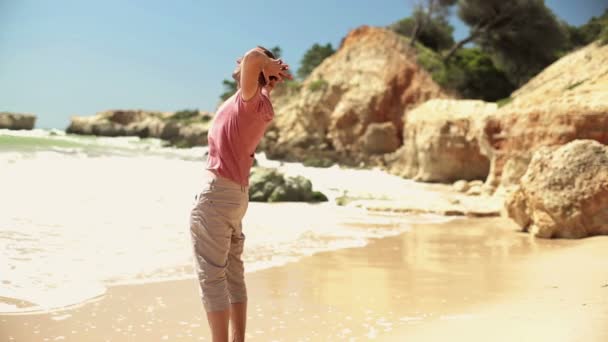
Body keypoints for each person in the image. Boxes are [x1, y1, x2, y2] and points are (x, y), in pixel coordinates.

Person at [189, 46, 292, 342]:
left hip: (219, 194)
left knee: (212, 279)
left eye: (245, 63)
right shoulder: (260, 103)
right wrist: (269, 77)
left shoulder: (248, 100)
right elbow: (253, 62)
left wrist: (267, 64)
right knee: (233, 275)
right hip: (236, 197)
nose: (239, 62)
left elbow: (252, 58)